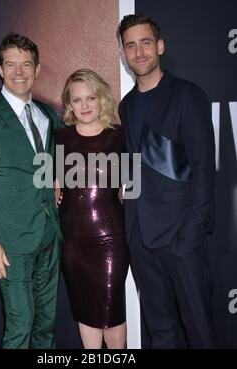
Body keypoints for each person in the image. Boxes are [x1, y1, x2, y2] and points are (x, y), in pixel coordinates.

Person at [118, 13, 216, 348]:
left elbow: (204, 170)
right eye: (130, 45)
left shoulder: (188, 95)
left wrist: (189, 235)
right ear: (124, 53)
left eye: (145, 42)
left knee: (200, 331)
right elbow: (135, 164)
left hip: (181, 238)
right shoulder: (126, 105)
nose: (139, 51)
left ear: (160, 46)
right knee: (161, 333)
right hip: (142, 241)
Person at [0, 33, 62, 349]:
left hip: (50, 234)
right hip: (9, 240)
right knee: (21, 326)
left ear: (38, 68)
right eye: (11, 65)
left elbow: (48, 164)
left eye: (26, 64)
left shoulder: (49, 115)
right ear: (0, 70)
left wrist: (55, 179)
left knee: (46, 327)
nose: (19, 72)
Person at [54, 69, 129, 349]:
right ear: (69, 104)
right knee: (85, 315)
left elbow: (132, 188)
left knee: (112, 314)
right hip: (73, 244)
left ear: (102, 99)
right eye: (77, 100)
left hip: (112, 240)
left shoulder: (120, 137)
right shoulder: (59, 139)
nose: (85, 106)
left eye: (91, 98)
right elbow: (49, 183)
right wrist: (52, 186)